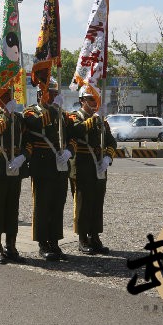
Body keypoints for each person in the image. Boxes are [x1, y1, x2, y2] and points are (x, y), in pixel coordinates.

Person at [21, 78, 93, 261]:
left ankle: (54, 242)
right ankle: (42, 243)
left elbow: (74, 135)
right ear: (40, 95)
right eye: (50, 94)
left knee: (57, 206)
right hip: (42, 166)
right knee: (42, 206)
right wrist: (54, 109)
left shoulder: (62, 114)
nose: (54, 97)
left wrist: (69, 151)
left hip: (60, 166)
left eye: (55, 94)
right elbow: (35, 125)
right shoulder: (31, 112)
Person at [69, 85, 117, 255]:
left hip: (99, 166)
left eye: (96, 99)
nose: (94, 102)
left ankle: (95, 236)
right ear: (82, 100)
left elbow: (111, 142)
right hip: (81, 165)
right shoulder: (75, 116)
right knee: (83, 203)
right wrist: (95, 118)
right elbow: (76, 130)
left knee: (97, 202)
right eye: (91, 99)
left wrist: (108, 157)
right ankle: (82, 238)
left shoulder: (101, 120)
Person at [0, 100, 27, 264]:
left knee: (12, 209)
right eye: (4, 97)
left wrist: (23, 157)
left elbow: (27, 141)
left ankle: (11, 246)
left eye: (10, 97)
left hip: (14, 169)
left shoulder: (19, 118)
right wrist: (6, 114)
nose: (9, 100)